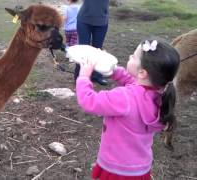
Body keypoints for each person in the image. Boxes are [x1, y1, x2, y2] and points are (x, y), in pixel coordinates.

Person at [76, 39, 180, 179]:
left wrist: (83, 76)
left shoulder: (124, 97)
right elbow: (132, 81)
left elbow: (88, 101)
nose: (130, 57)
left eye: (134, 56)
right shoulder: (160, 95)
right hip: (139, 168)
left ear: (142, 73)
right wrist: (108, 67)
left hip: (116, 169)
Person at [74, 0, 110, 85]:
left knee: (97, 49)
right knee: (83, 50)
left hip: (101, 21)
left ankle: (96, 75)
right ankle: (79, 77)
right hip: (84, 20)